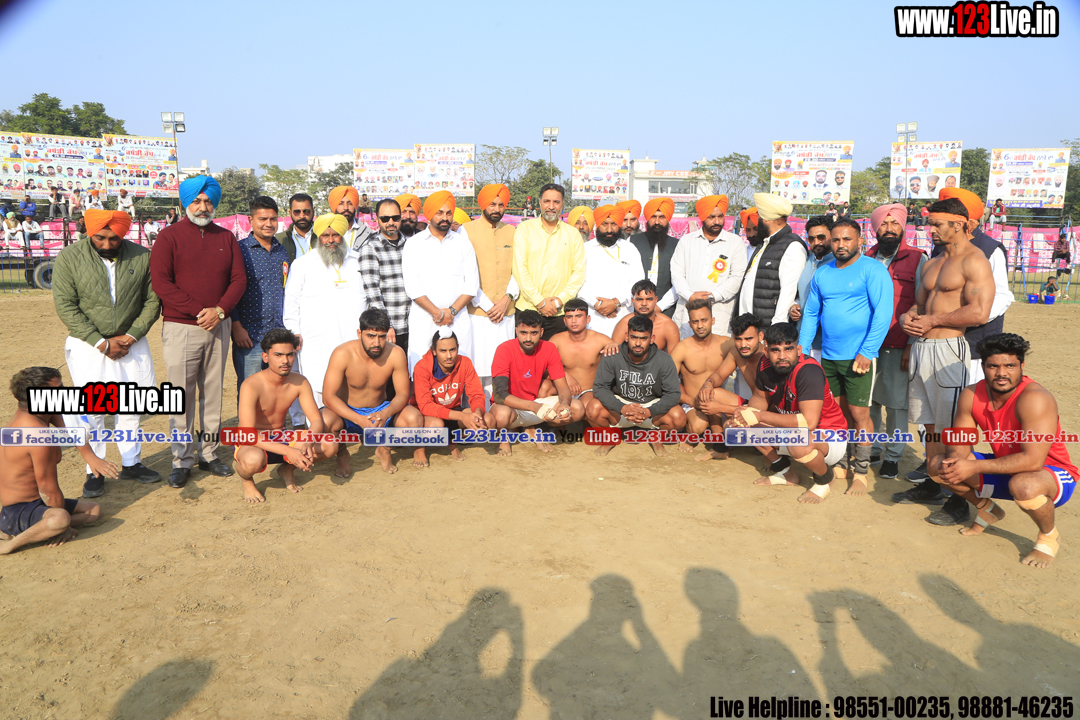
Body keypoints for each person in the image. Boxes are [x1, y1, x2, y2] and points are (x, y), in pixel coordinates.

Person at [929, 333, 1075, 568]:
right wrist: (957, 462)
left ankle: (1049, 536)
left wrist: (973, 466)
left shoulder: (1035, 398)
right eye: (993, 366)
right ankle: (987, 510)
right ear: (983, 367)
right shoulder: (971, 394)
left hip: (1051, 474)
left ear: (1022, 366)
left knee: (1024, 485)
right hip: (1007, 467)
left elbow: (1033, 461)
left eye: (1010, 366)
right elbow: (959, 440)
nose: (1001, 373)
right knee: (939, 466)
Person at [892, 198, 994, 512]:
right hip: (922, 350)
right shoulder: (933, 262)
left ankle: (961, 500)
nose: (931, 230)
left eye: (937, 224)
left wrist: (933, 320)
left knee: (954, 427)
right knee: (930, 426)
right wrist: (909, 316)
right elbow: (921, 304)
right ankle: (935, 484)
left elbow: (979, 312)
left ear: (959, 224)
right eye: (930, 224)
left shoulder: (975, 260)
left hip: (949, 349)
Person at [52, 209, 162, 495]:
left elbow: (153, 301)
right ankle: (95, 469)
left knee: (132, 404)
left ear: (123, 234)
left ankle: (132, 462)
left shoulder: (142, 256)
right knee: (94, 408)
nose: (107, 243)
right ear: (90, 232)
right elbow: (65, 304)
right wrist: (100, 342)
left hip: (131, 342)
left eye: (114, 238)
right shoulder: (69, 257)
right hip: (87, 344)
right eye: (100, 237)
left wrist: (131, 335)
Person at [150, 175, 246, 489]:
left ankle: (209, 453)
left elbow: (238, 280)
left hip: (219, 324)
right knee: (181, 395)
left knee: (213, 392)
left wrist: (219, 311)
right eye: (197, 201)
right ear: (185, 203)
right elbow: (162, 283)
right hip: (181, 326)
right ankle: (182, 459)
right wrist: (198, 311)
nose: (203, 207)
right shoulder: (168, 237)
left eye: (207, 201)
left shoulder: (226, 237)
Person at [798, 217, 894, 494]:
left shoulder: (873, 270)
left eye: (847, 239)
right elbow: (811, 313)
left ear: (860, 241)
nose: (841, 245)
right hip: (828, 357)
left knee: (859, 413)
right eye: (836, 239)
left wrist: (867, 351)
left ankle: (861, 471)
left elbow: (883, 313)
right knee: (837, 414)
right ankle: (842, 462)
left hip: (858, 357)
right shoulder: (823, 273)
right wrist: (803, 349)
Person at [730, 322, 850, 504]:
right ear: (766, 350)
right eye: (776, 350)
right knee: (738, 427)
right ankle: (786, 473)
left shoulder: (809, 371)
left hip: (830, 435)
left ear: (799, 350)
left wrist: (759, 416)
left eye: (788, 349)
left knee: (798, 442)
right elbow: (759, 398)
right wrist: (747, 414)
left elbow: (809, 423)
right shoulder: (764, 364)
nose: (782, 356)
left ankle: (825, 479)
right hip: (797, 431)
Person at [0, 368, 116, 555]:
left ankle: (40, 528)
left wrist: (91, 457)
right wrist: (65, 528)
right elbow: (48, 489)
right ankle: (10, 543)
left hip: (36, 503)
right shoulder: (36, 435)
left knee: (93, 511)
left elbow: (70, 430)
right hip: (18, 510)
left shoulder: (41, 412)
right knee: (60, 519)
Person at [233, 328, 340, 503]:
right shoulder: (251, 385)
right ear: (265, 357)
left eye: (290, 355)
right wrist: (289, 451)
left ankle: (286, 469)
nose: (285, 360)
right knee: (253, 460)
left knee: (330, 445)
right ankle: (246, 480)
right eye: (278, 355)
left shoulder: (299, 381)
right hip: (254, 441)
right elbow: (247, 434)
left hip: (281, 436)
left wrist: (308, 440)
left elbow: (315, 420)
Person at [320, 309, 427, 473]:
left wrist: (385, 413)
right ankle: (342, 454)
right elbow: (328, 397)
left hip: (380, 411)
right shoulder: (342, 353)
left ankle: (388, 448)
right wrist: (359, 419)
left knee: (414, 417)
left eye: (382, 337)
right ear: (359, 333)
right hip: (348, 413)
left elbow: (403, 394)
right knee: (324, 419)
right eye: (371, 336)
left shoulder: (395, 353)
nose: (376, 343)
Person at [865, 203, 927, 480]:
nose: (889, 229)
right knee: (869, 401)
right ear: (875, 228)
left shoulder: (918, 259)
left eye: (895, 223)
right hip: (866, 345)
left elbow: (922, 304)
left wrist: (911, 345)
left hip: (898, 344)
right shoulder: (865, 258)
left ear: (903, 227)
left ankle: (893, 455)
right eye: (884, 224)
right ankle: (873, 448)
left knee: (897, 405)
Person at [283, 213, 366, 409]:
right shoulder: (303, 264)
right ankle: (319, 425)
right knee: (317, 383)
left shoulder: (359, 261)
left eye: (335, 235)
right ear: (318, 237)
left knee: (354, 383)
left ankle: (352, 423)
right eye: (325, 236)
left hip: (353, 337)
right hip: (316, 339)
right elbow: (291, 301)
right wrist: (293, 331)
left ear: (343, 235)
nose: (330, 240)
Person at [401, 191, 478, 373]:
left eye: (449, 213)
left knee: (459, 371)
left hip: (457, 319)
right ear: (429, 215)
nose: (445, 218)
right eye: (440, 213)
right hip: (425, 319)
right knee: (423, 370)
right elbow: (412, 287)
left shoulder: (463, 243)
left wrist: (451, 312)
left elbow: (472, 285)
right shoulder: (414, 244)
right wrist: (438, 313)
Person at [588, 314, 686, 456]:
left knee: (678, 416)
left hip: (651, 408)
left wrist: (649, 411)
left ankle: (656, 438)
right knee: (593, 408)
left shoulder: (664, 360)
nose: (638, 343)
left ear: (652, 339)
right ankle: (610, 438)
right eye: (634, 337)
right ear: (626, 337)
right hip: (620, 406)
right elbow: (599, 387)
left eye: (643, 338)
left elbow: (673, 394)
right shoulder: (613, 355)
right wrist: (622, 407)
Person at [489, 310, 579, 455]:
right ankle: (503, 437)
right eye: (523, 332)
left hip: (535, 403)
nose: (528, 338)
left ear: (542, 332)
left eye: (534, 333)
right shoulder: (504, 349)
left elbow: (562, 386)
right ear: (516, 331)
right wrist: (534, 407)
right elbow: (499, 395)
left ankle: (532, 428)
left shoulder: (549, 348)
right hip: (512, 407)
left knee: (577, 408)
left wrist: (564, 403)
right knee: (501, 415)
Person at [461, 184, 518, 399]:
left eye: (501, 205)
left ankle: (501, 413)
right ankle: (478, 413)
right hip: (477, 312)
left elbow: (519, 270)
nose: (496, 209)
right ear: (483, 204)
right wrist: (486, 305)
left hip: (506, 311)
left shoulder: (512, 232)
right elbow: (465, 274)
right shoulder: (465, 230)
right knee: (477, 369)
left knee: (502, 370)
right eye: (492, 204)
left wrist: (507, 299)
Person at [231, 197, 292, 396]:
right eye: (263, 219)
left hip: (279, 335)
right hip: (250, 336)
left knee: (277, 392)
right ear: (251, 220)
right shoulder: (239, 250)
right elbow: (230, 290)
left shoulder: (282, 251)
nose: (268, 224)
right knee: (250, 392)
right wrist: (236, 327)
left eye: (273, 219)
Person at [512, 183, 586, 340]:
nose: (551, 206)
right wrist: (539, 302)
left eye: (556, 202)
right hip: (528, 310)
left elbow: (579, 272)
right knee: (526, 355)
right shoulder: (524, 229)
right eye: (547, 201)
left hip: (560, 314)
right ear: (540, 203)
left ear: (562, 204)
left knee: (556, 355)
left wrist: (559, 301)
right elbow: (520, 269)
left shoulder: (573, 234)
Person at [671, 195, 746, 340]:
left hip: (719, 314)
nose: (717, 221)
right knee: (686, 350)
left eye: (720, 216)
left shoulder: (735, 242)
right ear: (702, 217)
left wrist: (712, 297)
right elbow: (676, 273)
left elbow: (737, 277)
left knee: (718, 351)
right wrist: (690, 296)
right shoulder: (686, 241)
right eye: (711, 217)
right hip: (687, 312)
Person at [694, 313, 767, 460]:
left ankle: (772, 454)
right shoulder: (737, 352)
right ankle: (720, 447)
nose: (743, 345)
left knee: (730, 426)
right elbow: (719, 375)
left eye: (748, 339)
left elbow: (767, 408)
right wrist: (708, 384)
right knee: (710, 394)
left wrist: (720, 408)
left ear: (760, 336)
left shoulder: (768, 358)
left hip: (771, 414)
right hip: (753, 407)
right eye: (738, 339)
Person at [412, 329, 492, 462]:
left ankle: (452, 437)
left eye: (453, 350)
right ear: (434, 351)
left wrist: (477, 414)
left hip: (452, 412)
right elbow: (426, 406)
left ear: (458, 348)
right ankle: (420, 448)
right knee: (437, 425)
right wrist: (462, 416)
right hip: (428, 416)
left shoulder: (465, 362)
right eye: (443, 351)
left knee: (488, 419)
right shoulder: (422, 367)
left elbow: (476, 394)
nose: (449, 356)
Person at [737, 193, 808, 327]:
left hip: (769, 328)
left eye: (759, 217)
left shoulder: (792, 246)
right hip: (752, 326)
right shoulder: (765, 243)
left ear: (766, 219)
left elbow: (788, 291)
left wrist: (776, 328)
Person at [670, 298, 728, 455]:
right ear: (690, 324)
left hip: (718, 401)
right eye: (695, 322)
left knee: (734, 430)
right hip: (693, 403)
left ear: (712, 320)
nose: (700, 325)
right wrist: (691, 401)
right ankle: (690, 433)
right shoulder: (682, 348)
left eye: (704, 320)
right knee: (699, 425)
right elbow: (668, 383)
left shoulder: (726, 344)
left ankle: (716, 431)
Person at [578, 204, 643, 337]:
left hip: (623, 314)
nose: (609, 229)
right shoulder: (585, 249)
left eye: (613, 224)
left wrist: (616, 302)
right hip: (593, 315)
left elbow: (638, 282)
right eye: (604, 224)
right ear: (597, 225)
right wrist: (597, 304)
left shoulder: (630, 249)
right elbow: (577, 283)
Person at [359, 198, 410, 349]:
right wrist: (386, 325)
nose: (391, 222)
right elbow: (372, 292)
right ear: (377, 219)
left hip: (413, 325)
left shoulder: (410, 245)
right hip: (388, 330)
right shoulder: (370, 247)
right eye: (385, 218)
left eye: (395, 218)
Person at [549, 298, 616, 408]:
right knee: (544, 388)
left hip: (588, 391)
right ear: (565, 321)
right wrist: (564, 375)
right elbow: (542, 365)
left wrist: (614, 345)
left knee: (586, 406)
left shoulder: (600, 340)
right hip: (562, 389)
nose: (574, 321)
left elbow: (622, 358)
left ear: (588, 319)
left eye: (578, 316)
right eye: (569, 317)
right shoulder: (556, 340)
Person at [789, 215, 834, 361]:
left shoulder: (839, 264)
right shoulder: (806, 260)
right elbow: (800, 293)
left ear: (832, 236)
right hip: (803, 341)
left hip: (827, 344)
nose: (816, 242)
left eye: (821, 237)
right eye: (811, 239)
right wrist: (795, 306)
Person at [628, 197, 679, 317]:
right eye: (653, 217)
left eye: (662, 217)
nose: (657, 222)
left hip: (667, 309)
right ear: (647, 219)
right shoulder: (632, 241)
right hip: (636, 308)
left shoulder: (677, 245)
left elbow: (679, 281)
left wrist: (660, 306)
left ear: (668, 219)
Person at [612, 279, 681, 352]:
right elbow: (614, 354)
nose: (644, 303)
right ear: (633, 301)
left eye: (649, 299)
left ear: (656, 300)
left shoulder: (668, 325)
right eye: (639, 299)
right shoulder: (624, 324)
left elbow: (674, 358)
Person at [328, 186, 372, 254]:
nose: (346, 208)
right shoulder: (325, 233)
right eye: (341, 204)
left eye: (350, 203)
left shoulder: (368, 233)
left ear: (354, 206)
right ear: (335, 206)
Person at [277, 193, 315, 258]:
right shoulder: (279, 240)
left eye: (306, 211)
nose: (302, 216)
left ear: (313, 212)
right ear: (290, 213)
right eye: (297, 212)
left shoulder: (324, 236)